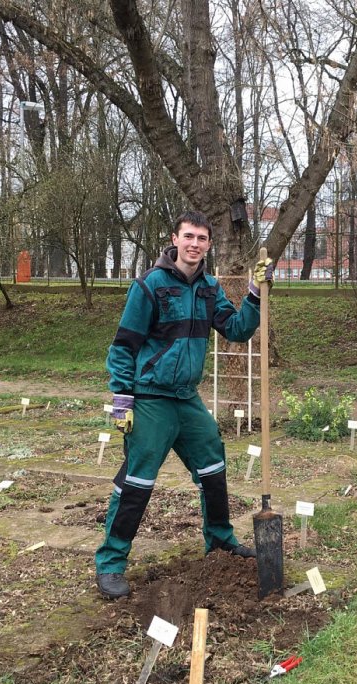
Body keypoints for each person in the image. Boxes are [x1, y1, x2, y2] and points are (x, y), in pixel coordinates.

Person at [95, 211, 272, 600]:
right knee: (138, 480)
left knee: (213, 463)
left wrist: (256, 292)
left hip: (187, 399)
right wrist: (122, 400)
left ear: (208, 245)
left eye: (202, 239)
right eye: (188, 236)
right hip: (151, 398)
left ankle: (220, 540)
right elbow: (123, 346)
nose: (195, 244)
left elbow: (237, 330)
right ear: (174, 239)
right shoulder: (148, 286)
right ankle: (110, 563)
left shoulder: (210, 288)